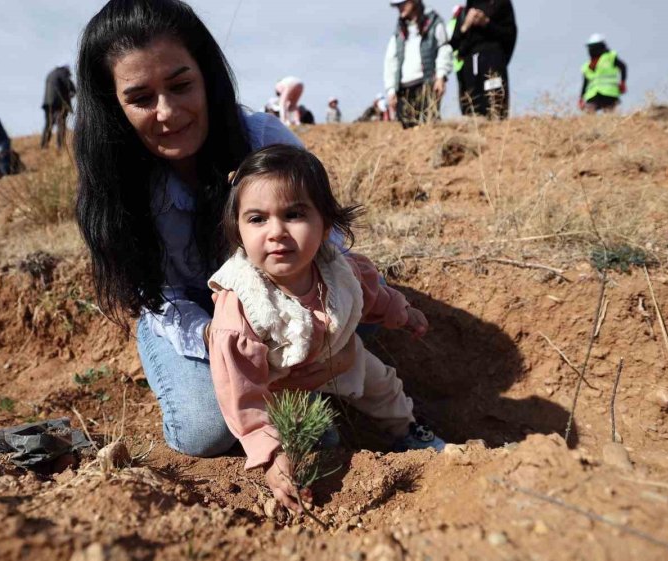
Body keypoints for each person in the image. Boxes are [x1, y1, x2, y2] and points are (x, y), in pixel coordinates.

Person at [74, 0, 359, 460]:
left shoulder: (262, 140)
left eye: (181, 85)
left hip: (278, 300)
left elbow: (327, 242)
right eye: (141, 98)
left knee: (368, 296)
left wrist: (323, 332)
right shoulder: (119, 185)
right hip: (187, 315)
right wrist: (225, 344)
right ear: (113, 105)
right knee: (205, 430)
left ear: (207, 77)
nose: (167, 112)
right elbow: (159, 295)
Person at [208, 145, 446, 511]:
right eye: (257, 219)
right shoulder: (243, 305)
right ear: (237, 231)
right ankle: (305, 455)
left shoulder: (340, 270)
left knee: (384, 385)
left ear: (327, 225)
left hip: (341, 356)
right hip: (280, 384)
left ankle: (406, 431)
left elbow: (373, 295)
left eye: (294, 214)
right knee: (317, 441)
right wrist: (268, 453)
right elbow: (241, 392)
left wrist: (403, 312)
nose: (276, 232)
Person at [383, 0, 453, 129]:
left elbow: (444, 49)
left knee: (430, 126)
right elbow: (391, 61)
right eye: (397, 5)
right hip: (404, 89)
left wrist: (441, 76)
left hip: (427, 84)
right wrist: (391, 90)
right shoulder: (399, 31)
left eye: (402, 4)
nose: (399, 8)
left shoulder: (434, 22)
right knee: (408, 132)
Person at [448, 0, 517, 118]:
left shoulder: (502, 4)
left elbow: (509, 35)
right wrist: (465, 25)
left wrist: (486, 23)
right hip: (469, 69)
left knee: (495, 108)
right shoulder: (465, 11)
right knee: (472, 111)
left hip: (493, 63)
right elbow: (453, 44)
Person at [579, 34, 627, 113]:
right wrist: (581, 98)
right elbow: (585, 83)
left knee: (609, 117)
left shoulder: (610, 57)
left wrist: (623, 82)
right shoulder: (586, 66)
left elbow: (623, 67)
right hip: (593, 95)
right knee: (589, 116)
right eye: (591, 47)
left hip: (609, 93)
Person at [41, 64, 76, 150]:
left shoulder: (51, 74)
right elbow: (70, 86)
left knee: (48, 125)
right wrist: (71, 93)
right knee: (61, 124)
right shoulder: (63, 73)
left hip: (47, 103)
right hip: (58, 104)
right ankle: (60, 146)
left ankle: (44, 146)